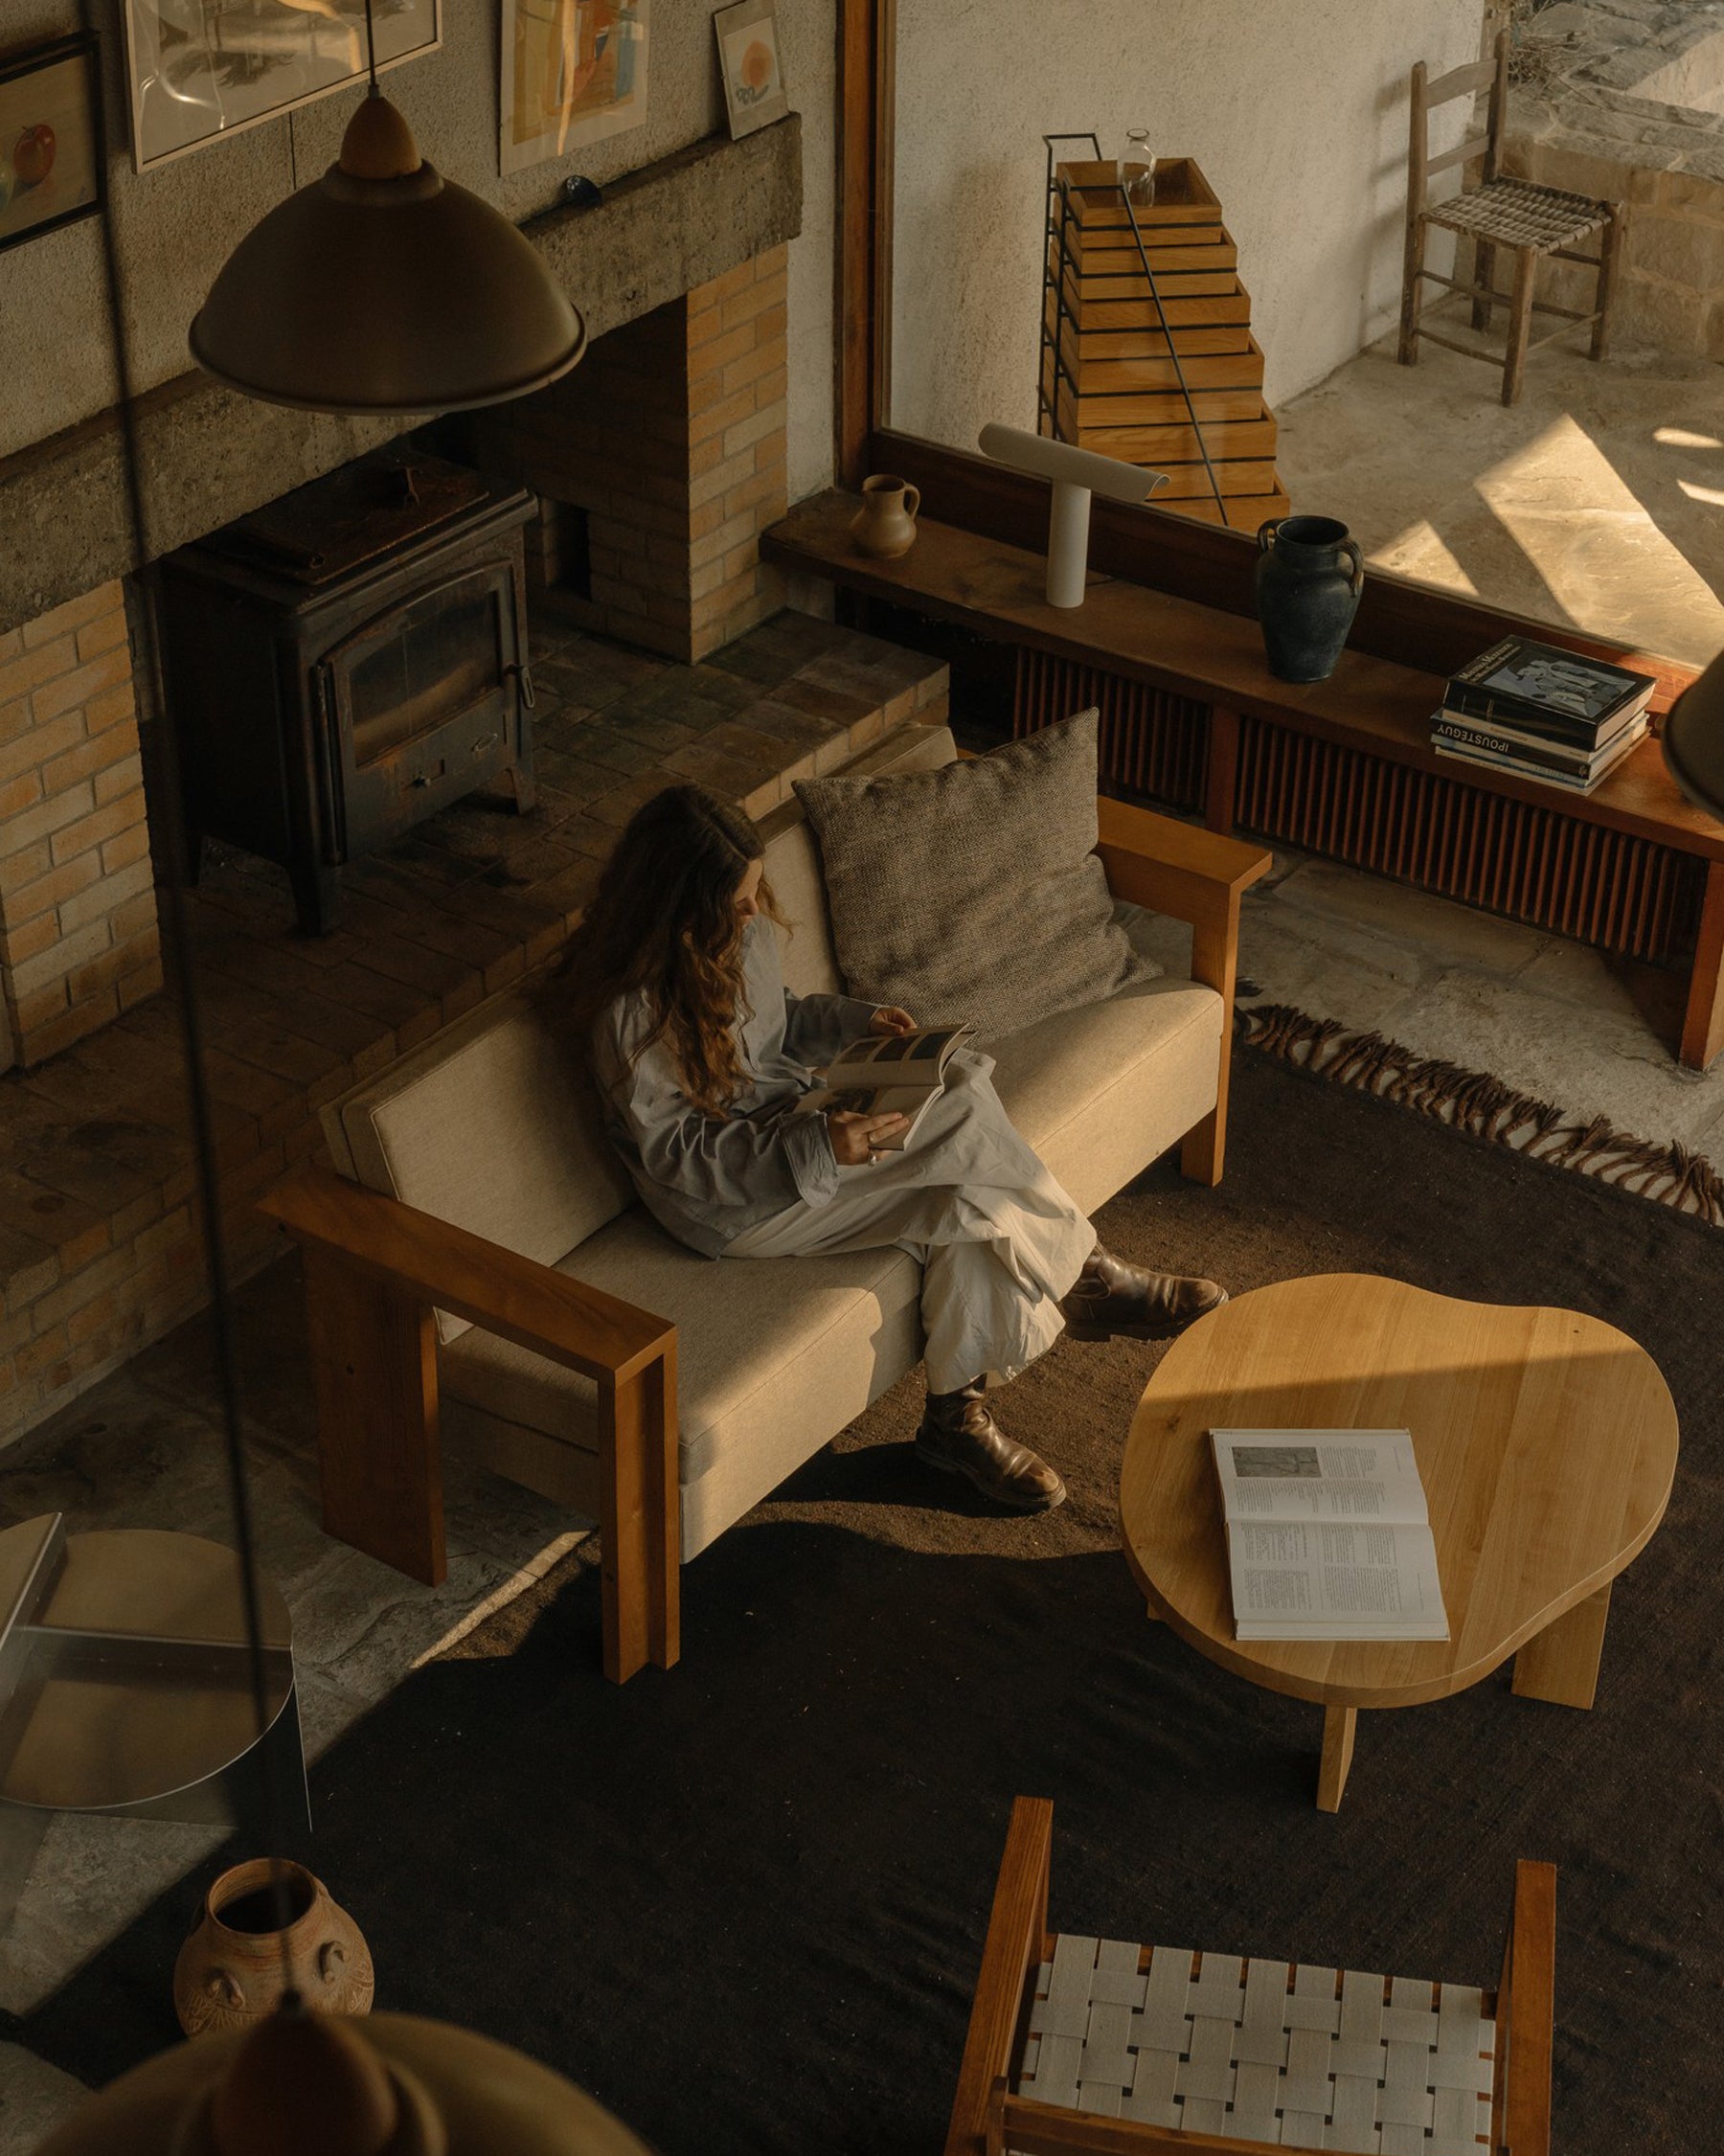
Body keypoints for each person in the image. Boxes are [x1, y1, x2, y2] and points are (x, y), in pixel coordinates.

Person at [552, 783, 1226, 1512]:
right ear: (676, 903)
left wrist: (857, 1025)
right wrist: (817, 1144)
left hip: (798, 1116)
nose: (752, 915)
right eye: (737, 903)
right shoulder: (629, 1012)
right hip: (737, 1203)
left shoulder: (734, 933)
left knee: (964, 1179)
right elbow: (679, 1157)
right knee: (962, 1098)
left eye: (753, 895)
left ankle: (954, 1419)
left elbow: (779, 1022)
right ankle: (1083, 1278)